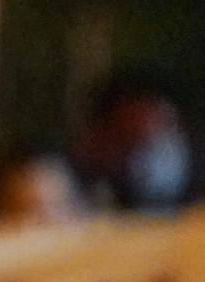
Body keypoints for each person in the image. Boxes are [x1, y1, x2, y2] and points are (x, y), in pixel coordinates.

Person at [73, 70, 194, 212]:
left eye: (165, 132)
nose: (150, 159)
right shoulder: (57, 199)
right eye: (129, 140)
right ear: (93, 137)